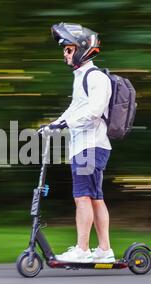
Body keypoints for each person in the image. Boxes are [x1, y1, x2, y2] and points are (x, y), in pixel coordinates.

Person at [42, 22, 115, 263]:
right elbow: (75, 108)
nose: (64, 53)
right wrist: (54, 124)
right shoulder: (81, 77)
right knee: (94, 197)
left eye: (68, 49)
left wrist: (67, 124)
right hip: (86, 146)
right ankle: (104, 250)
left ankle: (83, 250)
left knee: (82, 196)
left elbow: (94, 111)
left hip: (90, 146)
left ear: (82, 49)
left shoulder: (96, 78)